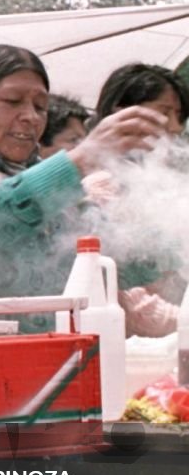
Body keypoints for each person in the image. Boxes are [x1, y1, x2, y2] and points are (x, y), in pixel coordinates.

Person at [0, 44, 168, 330]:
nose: (32, 116)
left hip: (49, 360)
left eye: (40, 107)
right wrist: (81, 160)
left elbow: (102, 254)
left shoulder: (30, 173)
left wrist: (172, 241)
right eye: (13, 101)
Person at [90, 63, 189, 337]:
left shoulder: (165, 185)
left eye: (179, 115)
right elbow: (131, 305)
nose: (175, 126)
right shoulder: (99, 188)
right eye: (163, 112)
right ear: (121, 114)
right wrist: (183, 321)